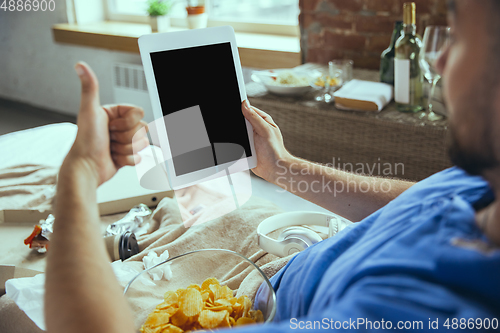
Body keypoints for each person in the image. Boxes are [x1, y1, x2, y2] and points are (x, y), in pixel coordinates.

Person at [45, 0, 500, 332]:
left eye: (458, 38)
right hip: (281, 261)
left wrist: (79, 178)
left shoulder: (408, 310)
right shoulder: (485, 183)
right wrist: (281, 166)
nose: (438, 59)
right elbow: (420, 198)